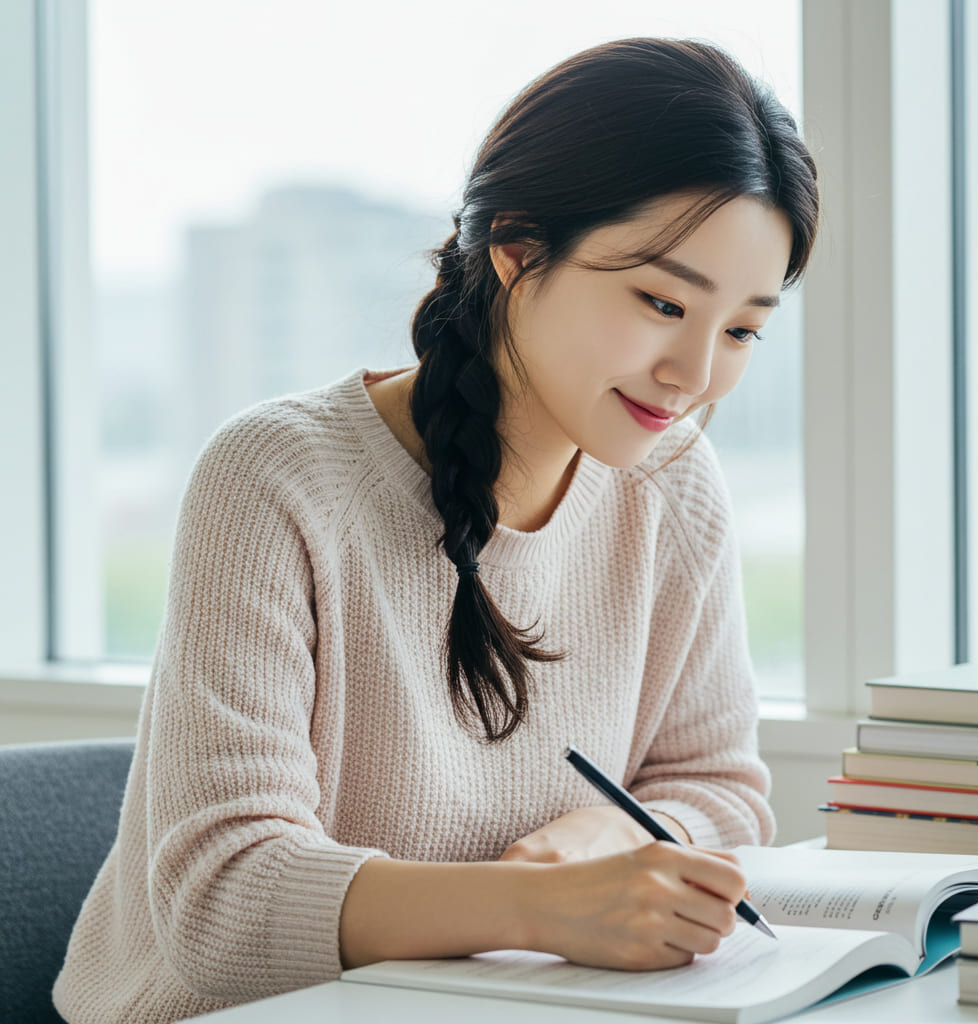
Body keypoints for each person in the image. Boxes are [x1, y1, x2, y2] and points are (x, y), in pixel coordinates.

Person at [54, 36, 818, 1023]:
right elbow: (224, 904)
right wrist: (541, 909)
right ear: (515, 247)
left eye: (743, 329)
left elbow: (716, 788)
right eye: (662, 302)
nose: (695, 373)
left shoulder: (673, 485)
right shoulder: (275, 477)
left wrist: (600, 838)